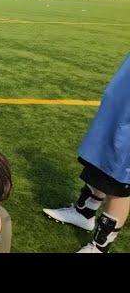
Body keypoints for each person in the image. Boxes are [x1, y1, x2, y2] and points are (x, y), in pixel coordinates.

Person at [43, 54, 130, 253]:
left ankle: (100, 247)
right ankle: (84, 212)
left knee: (121, 176)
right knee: (102, 153)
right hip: (122, 98)